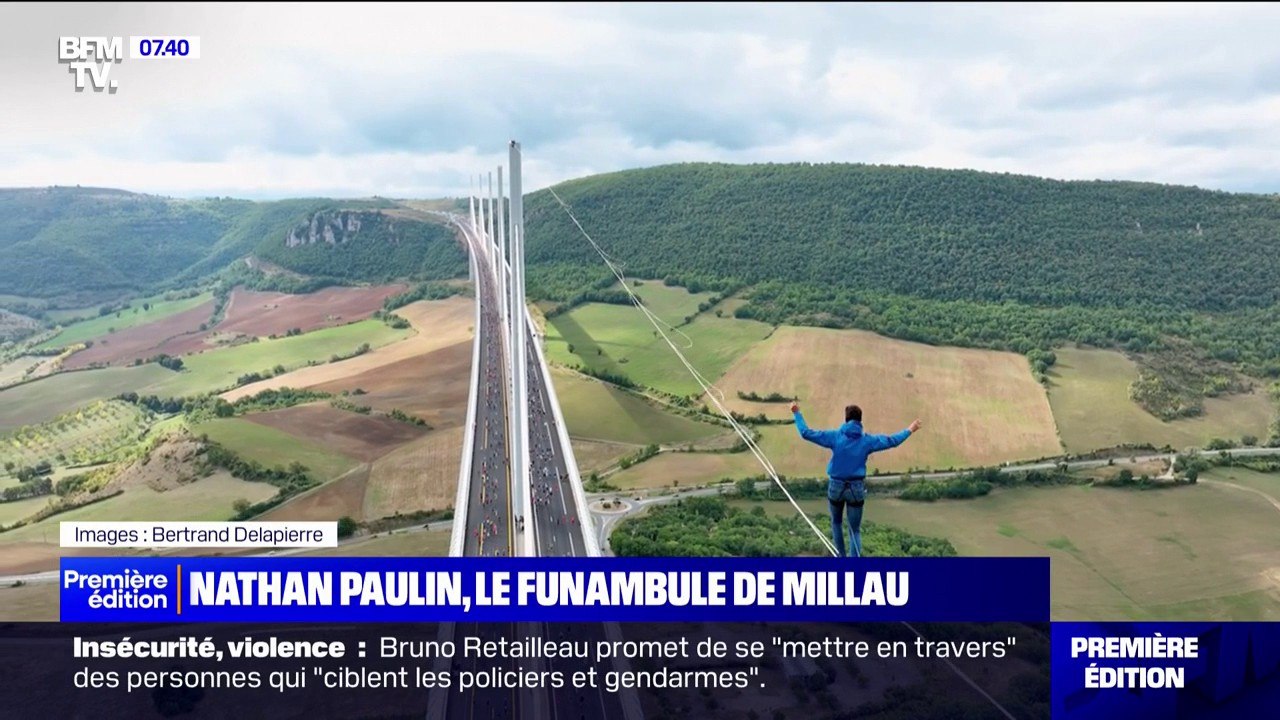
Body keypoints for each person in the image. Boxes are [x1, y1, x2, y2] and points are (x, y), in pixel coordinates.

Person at [791, 402, 921, 557]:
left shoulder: (835, 437)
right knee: (855, 531)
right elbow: (892, 441)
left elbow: (806, 433)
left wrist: (796, 413)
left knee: (836, 523)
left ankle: (841, 557)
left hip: (836, 487)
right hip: (856, 489)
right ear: (860, 421)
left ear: (846, 420)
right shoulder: (867, 441)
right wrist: (910, 430)